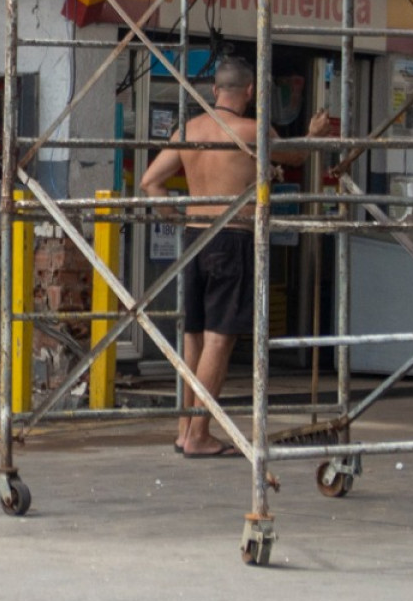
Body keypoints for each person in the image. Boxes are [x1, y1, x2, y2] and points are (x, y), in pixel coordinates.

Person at [139, 56, 331, 457]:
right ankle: (199, 434)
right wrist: (314, 134)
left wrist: (174, 215)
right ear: (250, 91)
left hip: (194, 237)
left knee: (193, 335)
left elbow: (150, 181)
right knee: (219, 339)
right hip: (232, 238)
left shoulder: (188, 131)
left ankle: (184, 429)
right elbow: (295, 157)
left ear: (214, 91)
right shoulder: (252, 131)